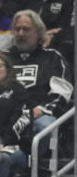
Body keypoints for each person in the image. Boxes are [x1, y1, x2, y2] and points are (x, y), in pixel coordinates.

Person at [7, 9, 73, 156]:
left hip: (39, 115)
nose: (21, 33)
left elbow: (62, 91)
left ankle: (32, 166)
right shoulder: (3, 58)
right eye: (17, 29)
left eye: (26, 29)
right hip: (7, 114)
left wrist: (43, 109)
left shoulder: (53, 57)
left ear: (38, 33)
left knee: (46, 126)